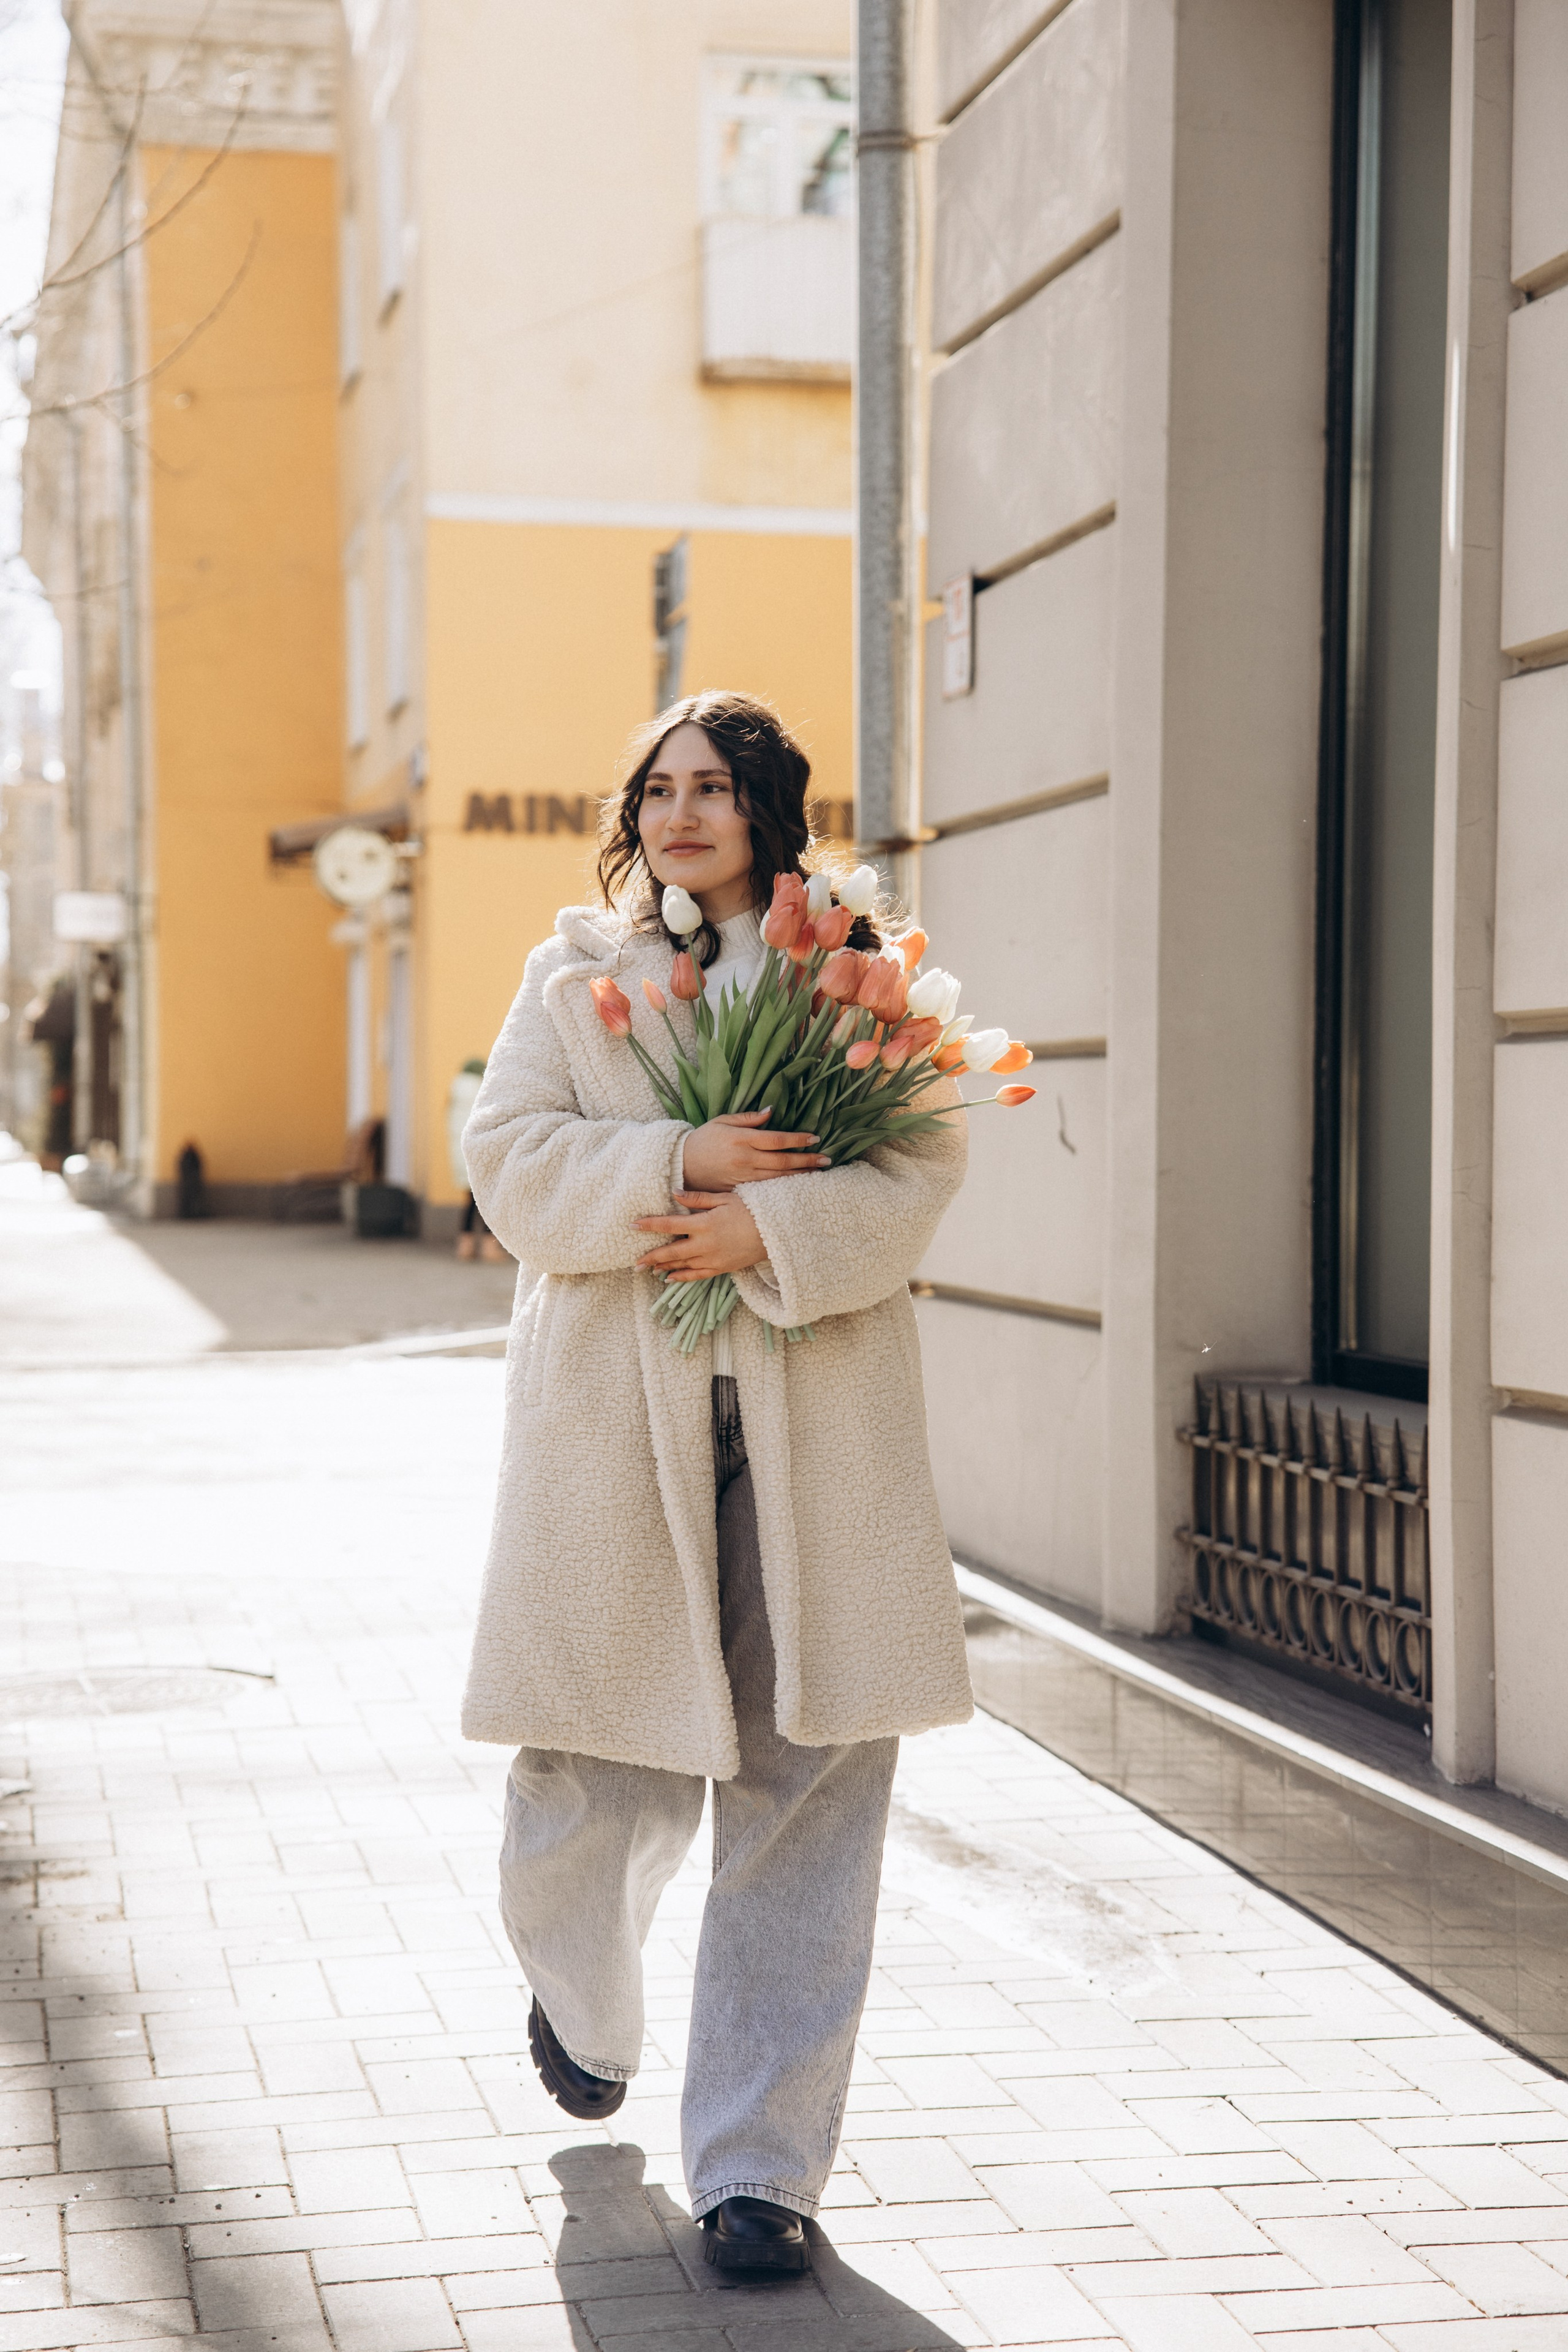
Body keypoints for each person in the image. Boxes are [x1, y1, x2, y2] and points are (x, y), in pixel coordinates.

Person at [459, 690, 973, 2278]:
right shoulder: (574, 980)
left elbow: (922, 1166)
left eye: (714, 785)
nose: (683, 811)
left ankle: (762, 2169)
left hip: (820, 1446)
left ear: (767, 804)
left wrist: (774, 1235)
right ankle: (585, 1999)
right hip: (618, 1442)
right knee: (586, 1776)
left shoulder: (852, 978)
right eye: (658, 788)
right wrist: (679, 1171)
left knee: (802, 1796)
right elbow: (513, 1164)